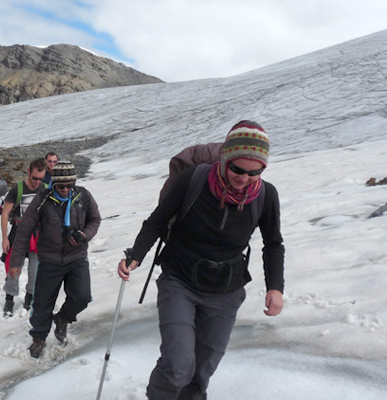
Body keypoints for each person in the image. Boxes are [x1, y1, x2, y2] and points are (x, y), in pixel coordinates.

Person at [117, 120, 285, 399]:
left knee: (200, 373)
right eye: (237, 169)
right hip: (179, 281)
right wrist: (136, 256)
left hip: (226, 290)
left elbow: (273, 244)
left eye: (254, 172)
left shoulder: (266, 196)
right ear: (225, 158)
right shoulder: (193, 179)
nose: (244, 178)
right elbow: (157, 221)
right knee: (178, 366)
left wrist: (275, 287)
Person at [10, 160, 101, 358]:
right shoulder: (43, 200)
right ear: (54, 184)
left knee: (82, 297)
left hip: (77, 258)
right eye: (61, 186)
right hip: (50, 260)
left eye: (70, 185)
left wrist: (84, 235)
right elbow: (24, 231)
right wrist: (16, 263)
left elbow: (95, 219)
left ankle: (63, 319)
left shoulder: (83, 196)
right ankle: (39, 338)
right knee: (42, 305)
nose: (66, 190)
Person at [0, 158, 48, 316]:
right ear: (28, 172)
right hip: (18, 235)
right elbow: (5, 213)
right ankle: (9, 300)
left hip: (38, 237)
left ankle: (30, 297)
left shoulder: (46, 189)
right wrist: (5, 238)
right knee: (14, 269)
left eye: (41, 178)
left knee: (36, 271)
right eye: (35, 178)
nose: (37, 182)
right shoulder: (18, 189)